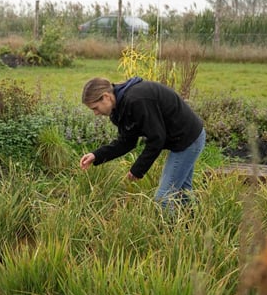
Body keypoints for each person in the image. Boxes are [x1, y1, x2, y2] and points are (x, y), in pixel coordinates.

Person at [79, 76, 205, 208]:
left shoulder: (136, 100)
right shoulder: (118, 110)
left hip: (187, 139)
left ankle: (169, 229)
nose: (95, 113)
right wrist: (96, 155)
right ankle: (194, 224)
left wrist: (138, 170)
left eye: (95, 108)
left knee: (163, 199)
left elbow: (157, 139)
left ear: (106, 97)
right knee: (183, 194)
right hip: (181, 138)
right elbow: (126, 142)